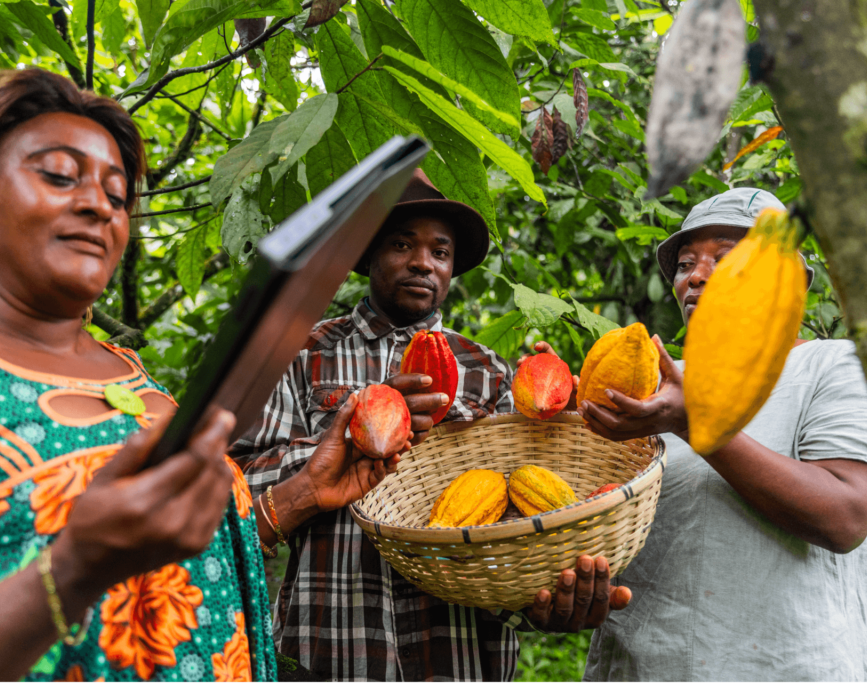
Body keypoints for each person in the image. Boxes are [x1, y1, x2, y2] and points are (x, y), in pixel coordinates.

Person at [0, 68, 395, 681]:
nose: (95, 205)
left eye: (115, 194)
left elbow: (186, 566)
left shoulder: (134, 380)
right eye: (58, 174)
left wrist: (299, 498)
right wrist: (73, 569)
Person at [230, 169, 626, 681]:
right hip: (329, 648)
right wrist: (356, 435)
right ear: (368, 254)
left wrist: (536, 600)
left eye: (440, 252)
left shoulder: (487, 371)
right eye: (401, 244)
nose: (423, 262)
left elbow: (520, 508)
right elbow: (236, 489)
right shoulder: (303, 355)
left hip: (458, 653)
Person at [576, 188, 867, 681]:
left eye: (726, 259)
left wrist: (694, 423)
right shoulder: (650, 388)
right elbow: (589, 525)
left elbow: (846, 515)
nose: (696, 276)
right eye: (685, 264)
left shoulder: (834, 366)